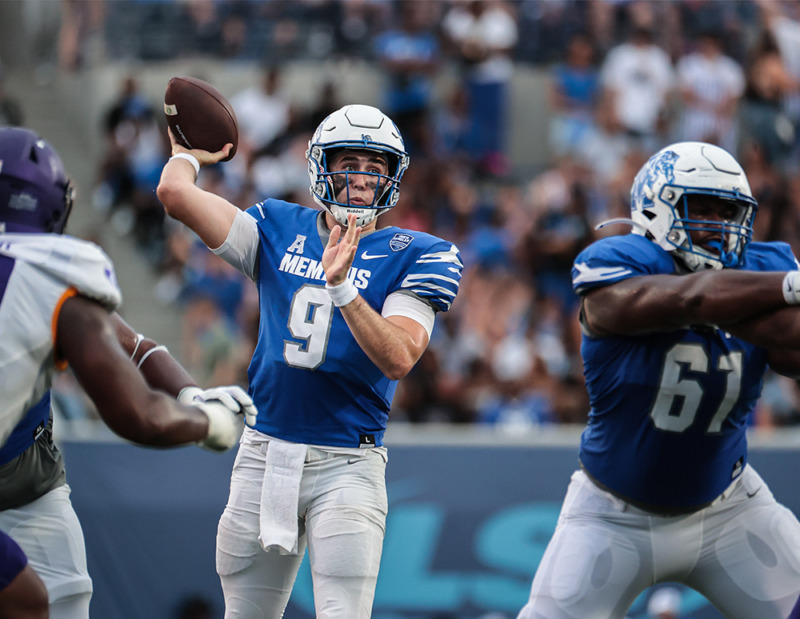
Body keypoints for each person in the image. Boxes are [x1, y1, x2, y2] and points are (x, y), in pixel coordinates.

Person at [0, 125, 256, 619]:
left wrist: (190, 394)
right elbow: (137, 415)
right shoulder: (39, 272)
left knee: (36, 602)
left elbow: (133, 347)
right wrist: (210, 423)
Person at [156, 103, 462, 617]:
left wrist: (342, 287)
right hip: (262, 450)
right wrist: (186, 156)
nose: (363, 178)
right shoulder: (277, 226)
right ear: (323, 167)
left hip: (348, 462)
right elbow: (174, 195)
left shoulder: (417, 252)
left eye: (376, 167)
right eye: (351, 163)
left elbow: (399, 357)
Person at [518, 141, 800, 619]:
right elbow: (691, 299)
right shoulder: (620, 262)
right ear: (655, 207)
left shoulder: (761, 264)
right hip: (611, 515)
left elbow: (786, 342)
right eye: (702, 209)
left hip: (730, 507)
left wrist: (735, 301)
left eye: (729, 212)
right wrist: (784, 289)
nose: (719, 227)